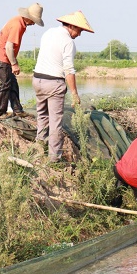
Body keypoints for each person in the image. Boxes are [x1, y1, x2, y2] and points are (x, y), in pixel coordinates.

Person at [32, 10, 94, 163]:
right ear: (72, 26)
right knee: (55, 122)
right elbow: (69, 70)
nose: (79, 34)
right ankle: (54, 158)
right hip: (54, 83)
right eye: (79, 30)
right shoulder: (68, 42)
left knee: (42, 114)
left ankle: (39, 147)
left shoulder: (48, 33)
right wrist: (74, 93)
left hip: (38, 80)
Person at [0, 3, 44, 119]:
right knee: (5, 84)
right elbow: (9, 47)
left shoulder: (17, 21)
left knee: (12, 83)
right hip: (1, 58)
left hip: (3, 57)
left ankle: (17, 110)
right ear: (28, 17)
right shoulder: (17, 25)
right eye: (33, 20)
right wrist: (14, 64)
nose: (34, 23)